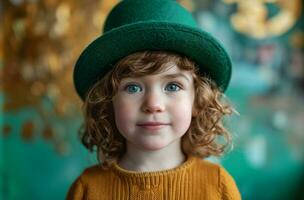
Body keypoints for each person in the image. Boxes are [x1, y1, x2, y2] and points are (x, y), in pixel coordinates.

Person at [67, 0, 241, 199]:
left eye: (173, 86)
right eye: (132, 87)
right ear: (108, 101)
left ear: (198, 100)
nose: (153, 105)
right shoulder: (87, 189)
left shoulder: (218, 186)